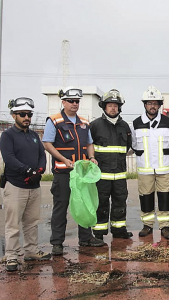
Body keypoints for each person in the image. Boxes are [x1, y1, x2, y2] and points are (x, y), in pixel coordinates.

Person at [42, 87, 105, 256]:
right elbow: (47, 143)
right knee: (60, 208)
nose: (75, 104)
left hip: (81, 173)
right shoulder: (54, 121)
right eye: (71, 101)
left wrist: (91, 157)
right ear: (63, 102)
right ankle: (57, 243)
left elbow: (89, 143)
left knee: (84, 205)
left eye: (77, 101)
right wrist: (63, 159)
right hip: (63, 173)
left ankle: (85, 238)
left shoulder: (84, 122)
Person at [0, 98, 51, 272]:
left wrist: (40, 170)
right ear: (14, 115)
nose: (26, 117)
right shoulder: (7, 135)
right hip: (15, 186)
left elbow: (42, 155)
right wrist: (28, 171)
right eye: (22, 114)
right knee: (13, 224)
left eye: (29, 114)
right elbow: (9, 158)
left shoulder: (34, 135)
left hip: (34, 187)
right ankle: (12, 256)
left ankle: (31, 251)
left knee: (31, 222)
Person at [131, 86, 169, 239]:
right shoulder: (136, 123)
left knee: (164, 198)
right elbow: (133, 144)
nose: (152, 106)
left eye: (155, 103)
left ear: (159, 105)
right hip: (145, 169)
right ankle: (147, 225)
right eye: (149, 103)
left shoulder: (167, 122)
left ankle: (165, 227)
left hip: (163, 169)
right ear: (145, 104)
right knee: (146, 197)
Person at [91, 89, 133, 240]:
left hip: (120, 175)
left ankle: (119, 229)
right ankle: (99, 233)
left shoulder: (125, 127)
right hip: (101, 175)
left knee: (120, 202)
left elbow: (127, 146)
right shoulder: (95, 126)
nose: (113, 108)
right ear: (104, 107)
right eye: (110, 105)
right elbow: (89, 147)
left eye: (116, 105)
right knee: (101, 204)